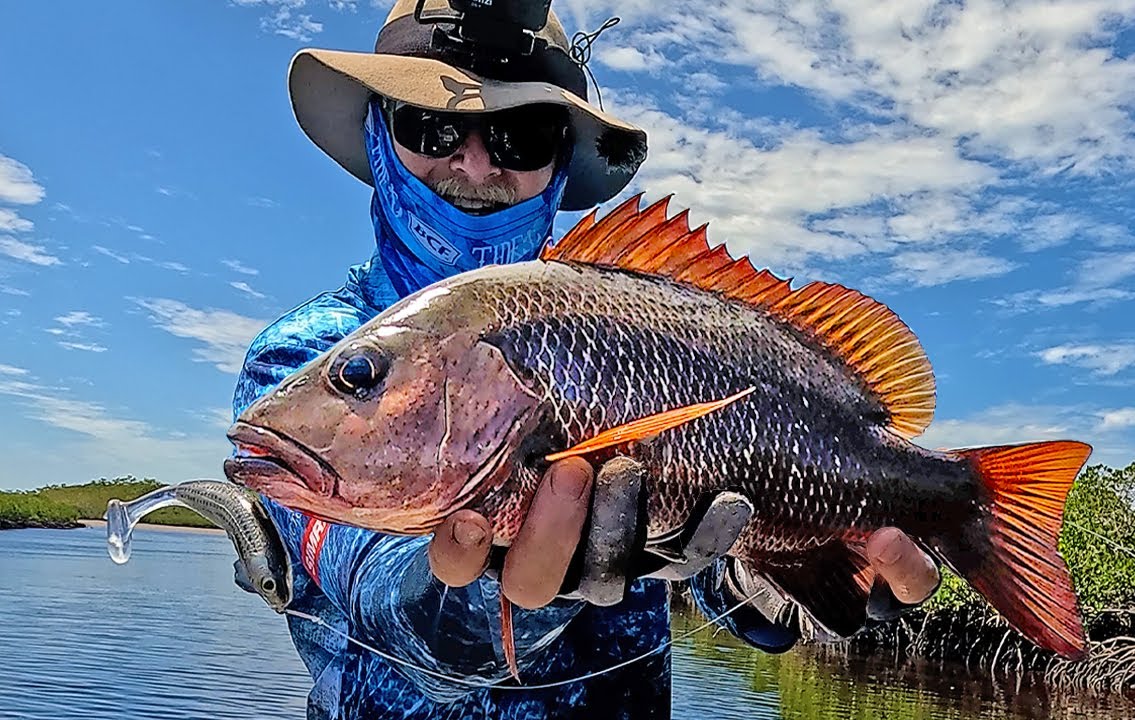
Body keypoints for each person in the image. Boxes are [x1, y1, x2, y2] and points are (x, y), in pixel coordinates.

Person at [227, 1, 943, 718]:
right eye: (430, 123)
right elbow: (382, 599)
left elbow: (710, 572)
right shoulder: (300, 355)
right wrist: (484, 586)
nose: (474, 163)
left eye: (522, 135)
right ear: (378, 137)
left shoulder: (618, 320)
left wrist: (793, 583)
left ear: (561, 163)